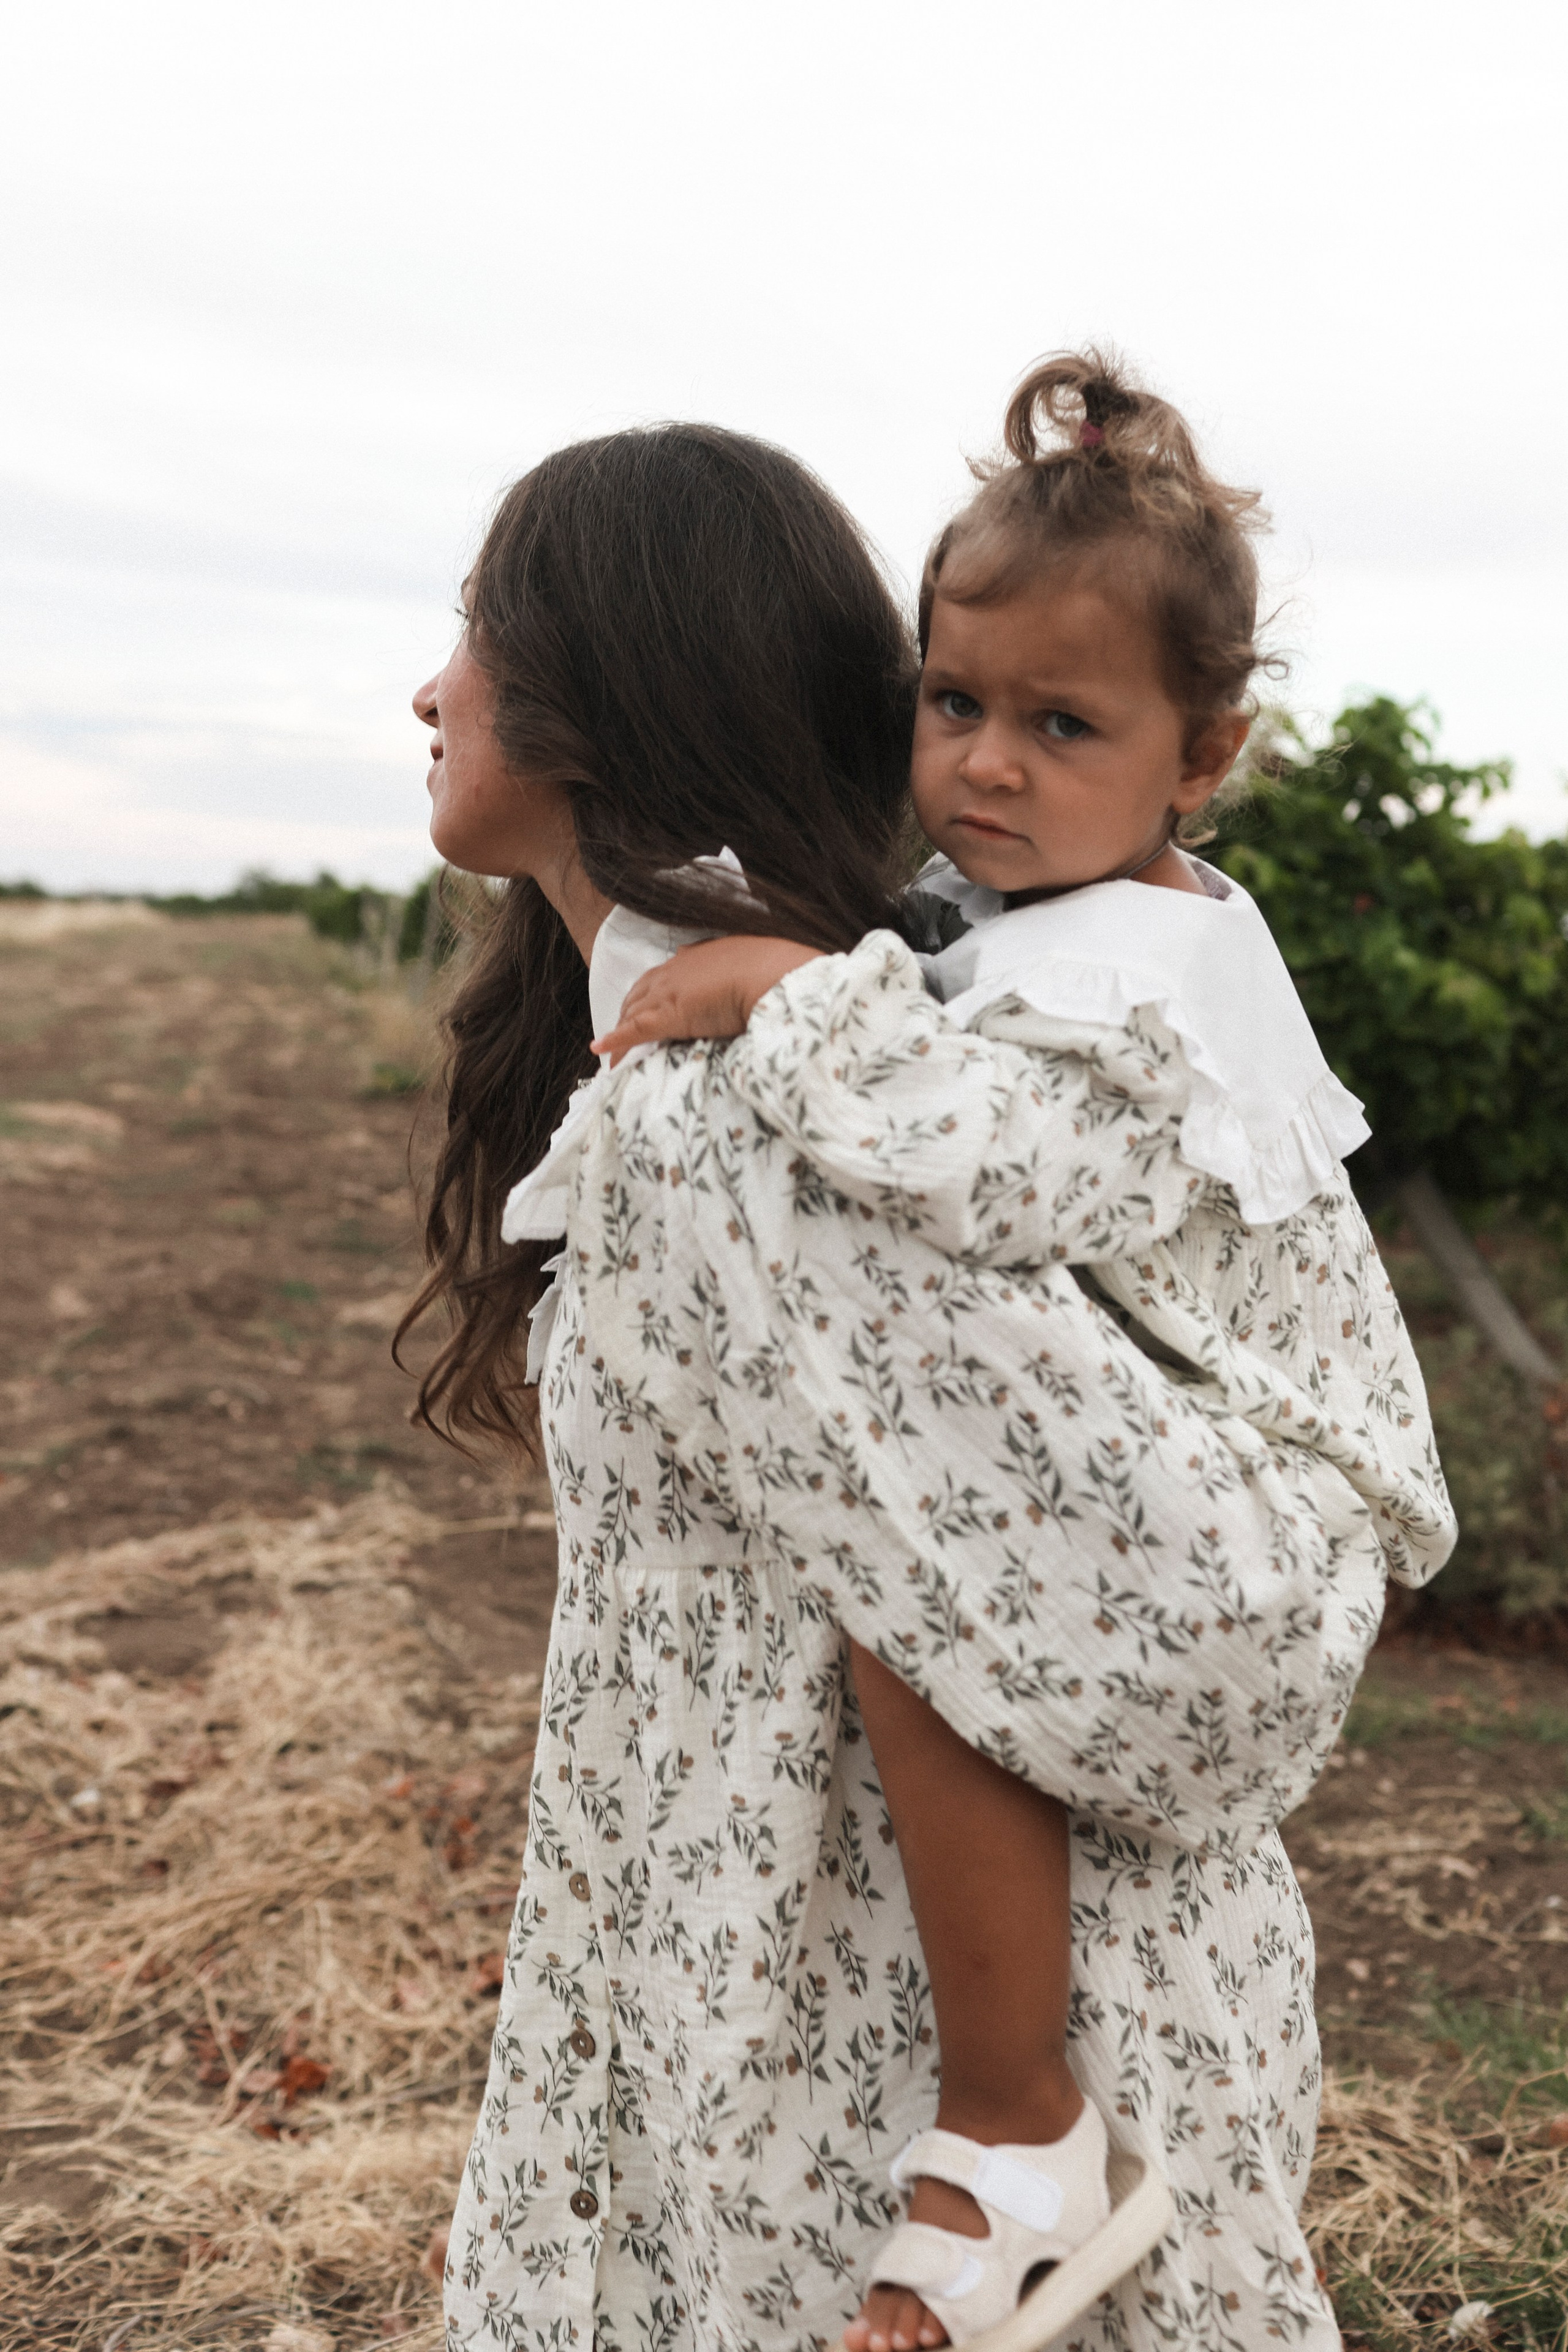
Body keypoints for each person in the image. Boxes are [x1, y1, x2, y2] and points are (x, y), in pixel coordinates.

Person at [410, 409, 1453, 2352]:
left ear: (590, 683)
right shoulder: (776, 1061)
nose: (427, 684)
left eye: (472, 626)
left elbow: (1191, 1634)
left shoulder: (779, 1109)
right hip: (748, 2020)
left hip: (870, 2085)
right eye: (958, 704)